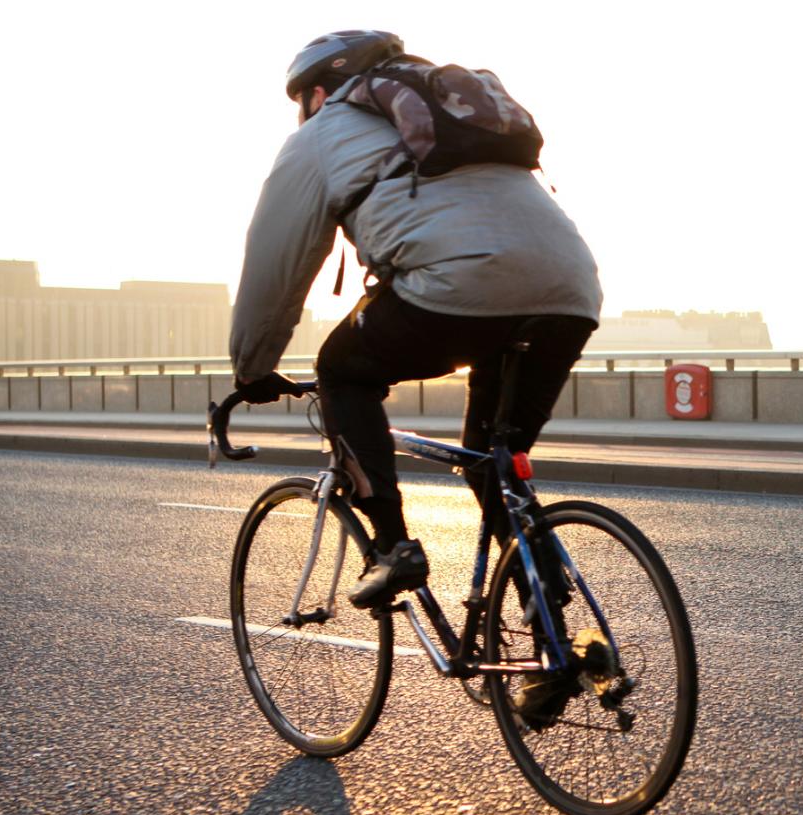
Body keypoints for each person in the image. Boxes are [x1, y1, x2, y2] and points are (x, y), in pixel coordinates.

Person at [230, 30, 602, 611]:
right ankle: (554, 625)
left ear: (316, 93)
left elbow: (277, 261)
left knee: (342, 370)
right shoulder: (457, 113)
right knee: (492, 461)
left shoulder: (322, 133)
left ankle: (390, 548)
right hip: (570, 290)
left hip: (457, 285)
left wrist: (252, 369)